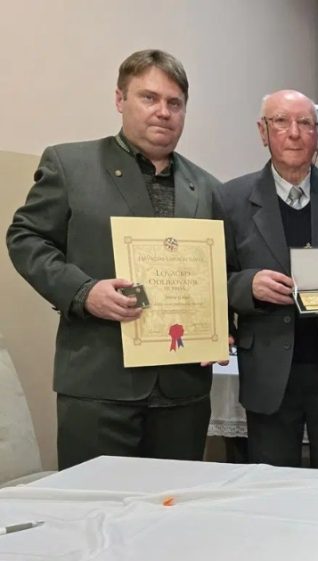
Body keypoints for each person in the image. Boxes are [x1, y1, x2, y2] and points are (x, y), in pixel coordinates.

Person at [6, 49, 222, 469]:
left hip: (183, 392)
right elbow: (26, 237)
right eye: (149, 98)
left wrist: (220, 326)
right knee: (94, 515)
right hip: (99, 387)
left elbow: (222, 272)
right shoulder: (71, 165)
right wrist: (83, 292)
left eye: (174, 103)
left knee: (173, 514)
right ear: (119, 99)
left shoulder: (208, 187)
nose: (163, 112)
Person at [217, 90, 318, 470]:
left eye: (305, 124)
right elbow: (212, 277)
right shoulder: (230, 199)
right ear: (262, 131)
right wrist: (246, 286)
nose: (294, 133)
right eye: (281, 122)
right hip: (269, 369)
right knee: (272, 490)